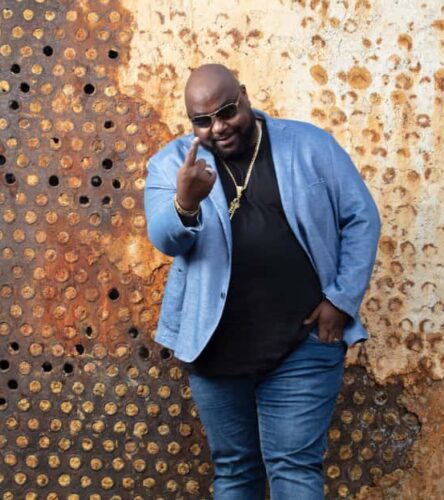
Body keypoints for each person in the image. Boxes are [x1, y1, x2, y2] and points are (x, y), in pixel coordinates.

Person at [144, 64, 381, 499]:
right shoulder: (172, 164)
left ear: (245, 95)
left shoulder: (309, 145)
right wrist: (185, 202)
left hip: (303, 343)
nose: (218, 128)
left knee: (294, 468)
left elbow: (361, 217)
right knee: (235, 471)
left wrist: (342, 299)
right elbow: (164, 238)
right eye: (202, 121)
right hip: (214, 346)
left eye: (227, 112)